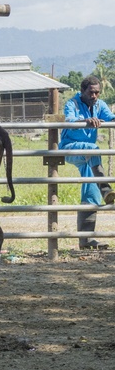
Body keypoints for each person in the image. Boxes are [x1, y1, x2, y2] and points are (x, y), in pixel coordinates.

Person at [60, 75, 115, 249]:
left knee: (90, 190)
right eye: (91, 92)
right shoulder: (72, 103)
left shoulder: (100, 105)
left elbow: (111, 118)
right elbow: (69, 120)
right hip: (70, 148)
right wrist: (85, 120)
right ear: (83, 90)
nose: (94, 96)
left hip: (89, 156)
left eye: (97, 93)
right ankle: (105, 187)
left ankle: (86, 240)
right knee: (94, 149)